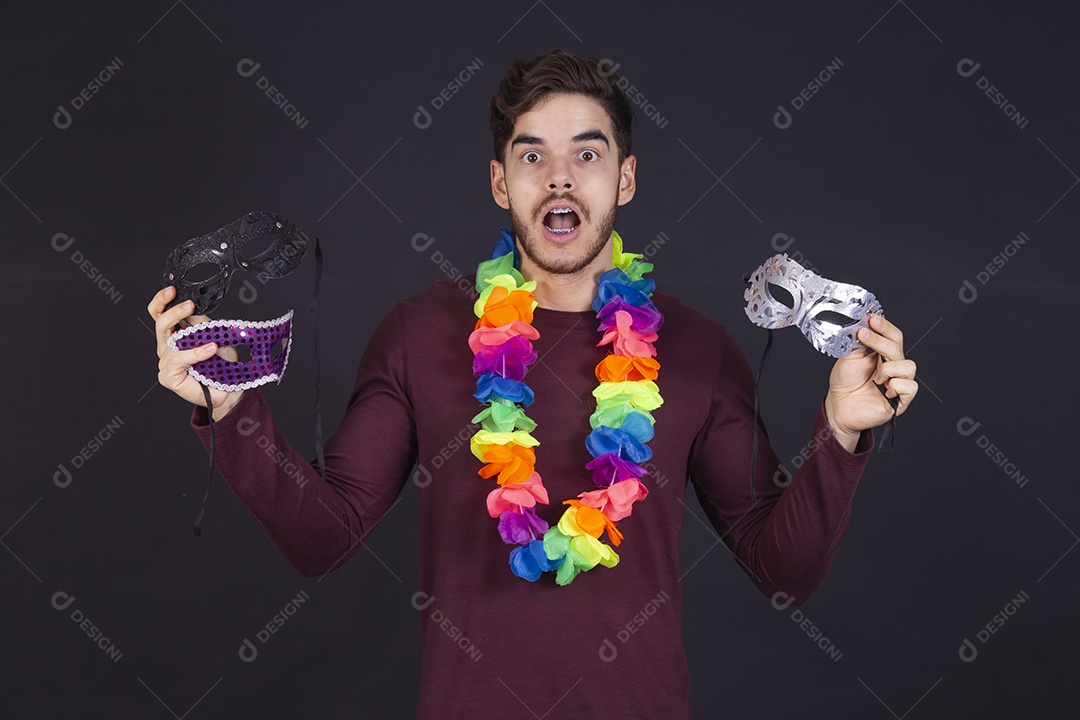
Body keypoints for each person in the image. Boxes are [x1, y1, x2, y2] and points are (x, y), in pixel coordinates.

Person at [147, 48, 917, 719]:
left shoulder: (699, 351)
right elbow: (324, 539)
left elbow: (782, 571)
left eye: (587, 155)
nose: (559, 180)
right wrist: (231, 408)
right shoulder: (418, 334)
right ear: (499, 181)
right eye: (531, 157)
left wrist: (841, 434)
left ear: (626, 178)